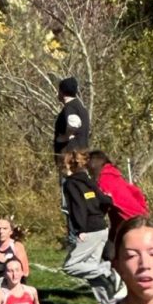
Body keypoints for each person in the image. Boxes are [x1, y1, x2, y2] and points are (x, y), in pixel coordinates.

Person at [61, 149, 123, 304]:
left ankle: (108, 271)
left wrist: (80, 229)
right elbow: (105, 200)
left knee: (70, 266)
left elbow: (78, 207)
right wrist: (99, 214)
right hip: (101, 228)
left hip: (89, 230)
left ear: (69, 165)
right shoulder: (88, 180)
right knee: (92, 272)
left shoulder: (70, 183)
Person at [87, 151, 149, 253]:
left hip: (132, 221)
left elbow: (104, 203)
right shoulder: (113, 175)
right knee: (110, 252)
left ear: (94, 162)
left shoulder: (105, 179)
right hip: (123, 221)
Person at [54, 78, 90, 242]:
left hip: (70, 158)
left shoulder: (71, 108)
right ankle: (82, 233)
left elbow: (73, 123)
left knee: (69, 197)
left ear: (61, 91)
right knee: (80, 195)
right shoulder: (81, 107)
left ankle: (74, 237)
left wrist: (65, 137)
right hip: (80, 156)